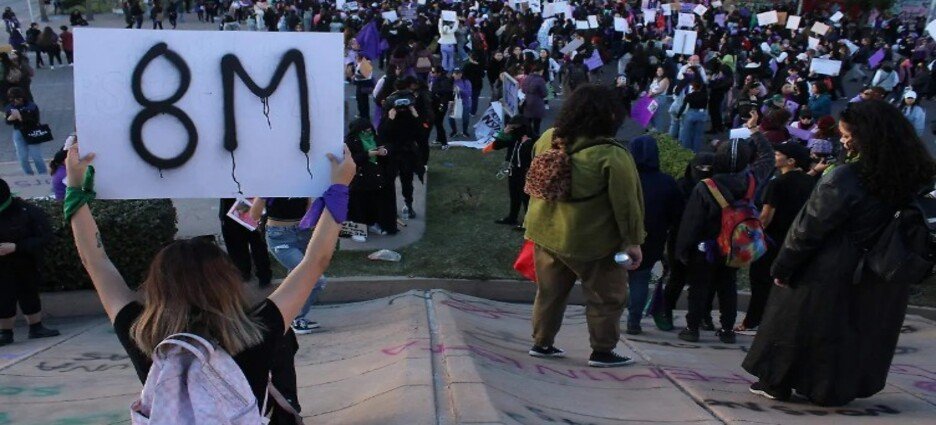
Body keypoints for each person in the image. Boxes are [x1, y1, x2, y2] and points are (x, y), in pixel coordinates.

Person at [65, 141, 354, 421]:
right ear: (226, 281)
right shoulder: (255, 332)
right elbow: (315, 262)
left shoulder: (142, 334)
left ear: (157, 284)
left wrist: (74, 187)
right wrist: (339, 188)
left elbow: (96, 262)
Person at [743, 100, 936, 406]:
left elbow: (808, 228)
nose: (842, 140)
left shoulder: (845, 177)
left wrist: (783, 266)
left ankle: (776, 381)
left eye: (847, 134)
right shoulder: (916, 177)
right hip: (884, 271)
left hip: (829, 268)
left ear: (862, 137)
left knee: (797, 325)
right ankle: (832, 390)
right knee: (858, 332)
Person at [524, 84, 645, 368]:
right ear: (610, 117)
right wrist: (633, 241)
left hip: (545, 233)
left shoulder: (548, 139)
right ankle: (602, 351)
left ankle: (542, 342)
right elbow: (627, 205)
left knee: (549, 293)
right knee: (607, 297)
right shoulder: (611, 156)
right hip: (593, 243)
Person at [675, 111, 774, 344]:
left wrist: (682, 249)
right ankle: (728, 329)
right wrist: (755, 130)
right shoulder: (752, 180)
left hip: (707, 245)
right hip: (736, 243)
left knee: (699, 288)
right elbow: (768, 158)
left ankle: (693, 328)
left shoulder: (706, 186)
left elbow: (692, 222)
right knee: (727, 286)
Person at [737, 142, 815, 333]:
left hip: (772, 240)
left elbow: (766, 217)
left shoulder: (777, 183)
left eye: (778, 154)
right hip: (796, 240)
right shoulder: (811, 183)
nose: (775, 157)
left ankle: (752, 321)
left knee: (760, 281)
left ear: (790, 161)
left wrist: (751, 238)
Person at [626, 135, 682, 335]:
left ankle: (606, 319)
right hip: (652, 239)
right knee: (640, 280)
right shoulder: (667, 182)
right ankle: (633, 322)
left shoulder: (625, 179)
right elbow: (677, 214)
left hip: (621, 237)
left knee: (612, 279)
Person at [249, 196, 328, 334]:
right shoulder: (272, 186)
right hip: (279, 236)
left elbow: (308, 208)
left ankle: (287, 316)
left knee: (295, 278)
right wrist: (264, 195)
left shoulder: (300, 182)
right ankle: (296, 318)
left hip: (302, 233)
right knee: (316, 279)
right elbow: (254, 214)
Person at [0, 178, 60, 346]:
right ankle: (5, 332)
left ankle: (36, 326)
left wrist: (17, 246)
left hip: (25, 261)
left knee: (29, 293)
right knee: (3, 297)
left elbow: (45, 237)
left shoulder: (27, 211)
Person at [345, 118, 396, 238]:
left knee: (375, 204)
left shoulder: (376, 138)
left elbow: (389, 146)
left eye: (369, 129)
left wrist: (385, 150)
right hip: (360, 180)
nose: (368, 132)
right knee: (359, 205)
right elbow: (351, 159)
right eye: (365, 131)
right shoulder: (350, 142)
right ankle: (357, 230)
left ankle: (373, 223)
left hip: (377, 178)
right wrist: (367, 154)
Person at [486, 116, 533, 229]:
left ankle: (528, 223)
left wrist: (526, 143)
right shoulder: (513, 137)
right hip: (513, 169)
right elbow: (496, 146)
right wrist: (504, 132)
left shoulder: (532, 138)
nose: (511, 129)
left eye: (513, 127)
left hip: (526, 170)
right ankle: (512, 217)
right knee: (514, 194)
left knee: (526, 197)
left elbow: (531, 154)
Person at [219, 198, 273, 288]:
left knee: (258, 246)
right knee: (243, 247)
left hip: (251, 206)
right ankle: (247, 275)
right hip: (233, 209)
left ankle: (261, 277)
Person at [5, 87, 46, 175]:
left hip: (32, 131)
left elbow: (35, 121)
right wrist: (10, 119)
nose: (16, 101)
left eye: (18, 98)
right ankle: (29, 174)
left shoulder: (31, 106)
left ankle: (43, 174)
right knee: (22, 158)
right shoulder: (9, 107)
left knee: (36, 156)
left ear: (22, 97)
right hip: (18, 132)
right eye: (13, 99)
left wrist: (21, 118)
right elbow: (7, 122)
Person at [677, 81, 709, 153]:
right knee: (698, 135)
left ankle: (686, 151)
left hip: (691, 113)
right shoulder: (705, 96)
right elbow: (706, 106)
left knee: (687, 134)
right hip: (701, 114)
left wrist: (678, 116)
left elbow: (683, 106)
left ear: (693, 87)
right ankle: (696, 152)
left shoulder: (689, 95)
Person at [521, 64, 547, 135]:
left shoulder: (527, 78)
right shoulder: (540, 80)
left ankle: (527, 137)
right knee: (536, 125)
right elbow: (544, 93)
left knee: (528, 123)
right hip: (537, 103)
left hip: (527, 102)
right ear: (540, 71)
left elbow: (523, 90)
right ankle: (535, 138)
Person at [449, 67, 472, 139]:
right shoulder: (449, 82)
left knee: (465, 118)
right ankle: (454, 131)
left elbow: (469, 93)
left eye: (459, 73)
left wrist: (460, 90)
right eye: (456, 73)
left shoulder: (466, 81)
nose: (458, 75)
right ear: (452, 74)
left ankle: (465, 131)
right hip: (452, 102)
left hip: (464, 102)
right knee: (451, 118)